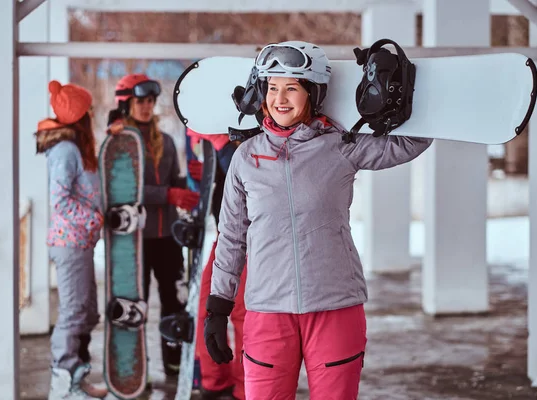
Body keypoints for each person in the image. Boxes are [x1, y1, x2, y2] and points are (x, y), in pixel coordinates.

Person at [202, 41, 434, 399]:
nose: (280, 98)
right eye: (273, 87)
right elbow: (232, 236)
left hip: (335, 305)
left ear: (313, 93)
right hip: (267, 309)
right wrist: (218, 306)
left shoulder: (341, 145)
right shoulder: (246, 158)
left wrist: (399, 94)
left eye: (292, 87)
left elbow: (407, 145)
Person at [107, 73, 200, 378]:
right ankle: (134, 369)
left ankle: (174, 366)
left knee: (174, 301)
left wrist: (189, 185)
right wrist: (167, 194)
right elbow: (122, 192)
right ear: (127, 103)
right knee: (136, 302)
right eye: (140, 101)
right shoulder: (119, 142)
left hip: (167, 236)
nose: (146, 107)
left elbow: (175, 181)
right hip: (134, 238)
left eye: (150, 101)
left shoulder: (168, 141)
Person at [35, 80, 106, 400]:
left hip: (81, 243)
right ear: (80, 116)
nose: (91, 113)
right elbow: (60, 201)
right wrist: (95, 219)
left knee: (88, 311)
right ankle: (63, 385)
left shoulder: (76, 148)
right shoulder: (64, 150)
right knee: (74, 312)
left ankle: (77, 376)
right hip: (70, 243)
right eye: (88, 109)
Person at [187, 129, 247, 400]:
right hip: (226, 235)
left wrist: (222, 147)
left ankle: (246, 389)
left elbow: (248, 176)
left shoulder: (257, 129)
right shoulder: (216, 128)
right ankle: (215, 382)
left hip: (255, 238)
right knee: (205, 309)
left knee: (243, 315)